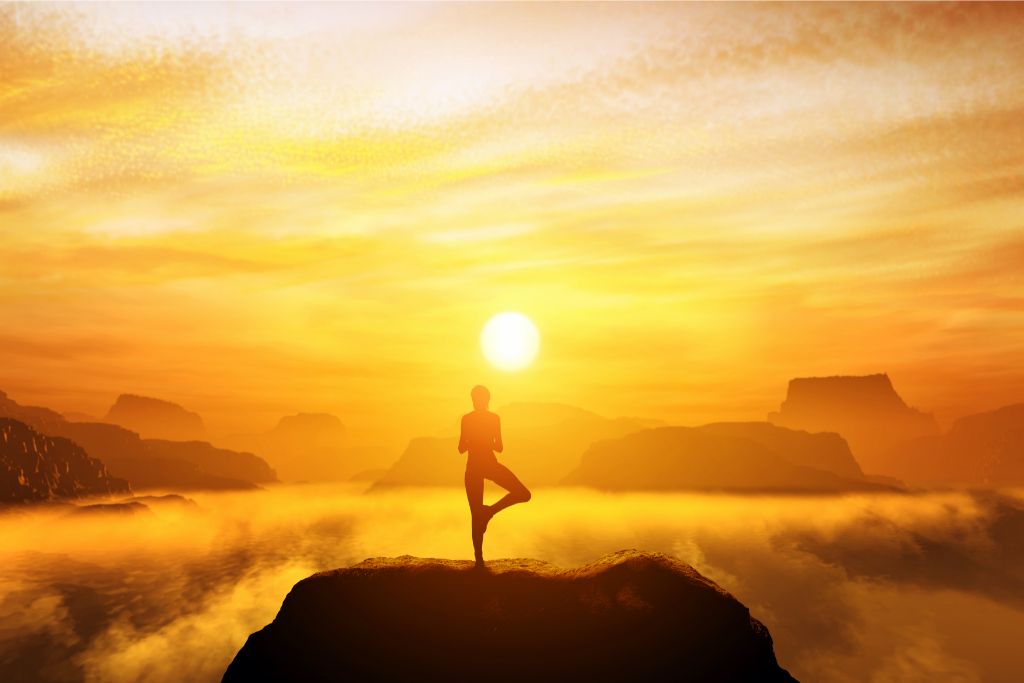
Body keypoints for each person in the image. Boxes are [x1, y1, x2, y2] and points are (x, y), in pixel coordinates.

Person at [459, 385, 531, 566]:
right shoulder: (487, 419)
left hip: (481, 465)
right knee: (477, 513)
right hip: (483, 466)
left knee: (522, 494)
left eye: (476, 398)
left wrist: (476, 441)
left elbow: (463, 448)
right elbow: (497, 447)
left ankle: (488, 513)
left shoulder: (474, 419)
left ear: (480, 400)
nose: (475, 401)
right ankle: (479, 560)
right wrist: (481, 440)